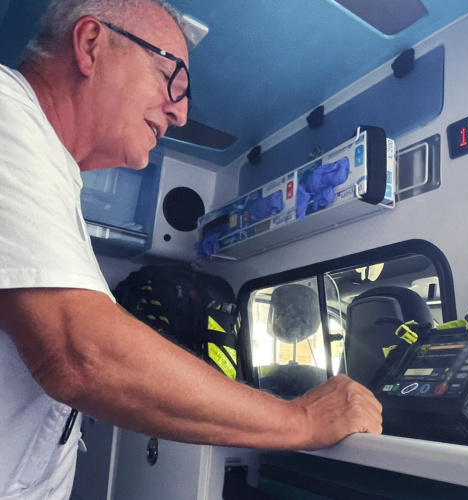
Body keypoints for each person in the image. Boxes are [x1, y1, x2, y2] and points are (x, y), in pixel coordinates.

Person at [0, 0, 383, 498]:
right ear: (90, 44)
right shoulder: (7, 112)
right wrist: (301, 420)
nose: (180, 114)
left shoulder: (52, 170)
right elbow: (80, 354)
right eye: (171, 78)